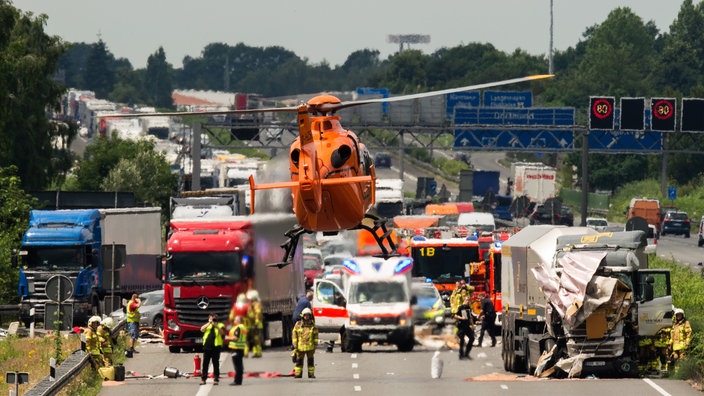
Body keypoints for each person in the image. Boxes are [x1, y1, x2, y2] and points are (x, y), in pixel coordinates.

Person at [200, 313, 226, 385]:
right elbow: (202, 329)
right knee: (205, 364)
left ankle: (216, 379)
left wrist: (215, 325)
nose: (212, 320)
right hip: (207, 347)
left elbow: (222, 332)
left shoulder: (220, 325)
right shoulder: (207, 325)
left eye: (214, 319)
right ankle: (203, 379)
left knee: (216, 363)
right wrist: (209, 323)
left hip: (216, 347)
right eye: (211, 318)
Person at [292, 308, 319, 378]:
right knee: (299, 361)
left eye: (308, 315)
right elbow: (294, 333)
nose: (306, 317)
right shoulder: (298, 324)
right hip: (300, 347)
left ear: (310, 316)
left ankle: (311, 374)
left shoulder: (313, 325)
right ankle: (298, 374)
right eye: (305, 315)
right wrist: (295, 343)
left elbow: (316, 334)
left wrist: (315, 344)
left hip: (310, 347)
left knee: (310, 361)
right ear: (302, 316)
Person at [226, 316, 247, 386]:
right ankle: (239, 381)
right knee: (239, 366)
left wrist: (227, 338)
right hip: (240, 348)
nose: (234, 321)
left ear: (238, 321)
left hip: (236, 348)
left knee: (237, 366)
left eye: (235, 320)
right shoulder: (243, 327)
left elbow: (235, 338)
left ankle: (237, 381)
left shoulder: (238, 327)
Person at [246, 289, 264, 358]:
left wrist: (256, 323)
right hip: (252, 325)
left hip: (256, 325)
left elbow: (258, 314)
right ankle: (255, 353)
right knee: (254, 340)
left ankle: (258, 353)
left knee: (256, 339)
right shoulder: (252, 304)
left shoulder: (257, 305)